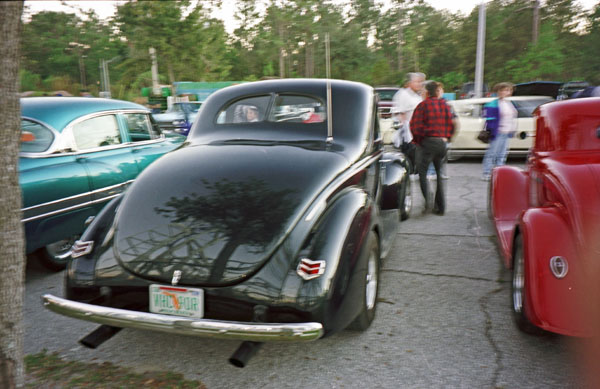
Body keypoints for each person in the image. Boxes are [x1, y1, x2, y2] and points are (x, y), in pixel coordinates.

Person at [410, 81, 455, 215]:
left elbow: (415, 127)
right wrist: (446, 137)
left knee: (422, 174)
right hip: (441, 143)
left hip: (426, 143)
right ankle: (441, 207)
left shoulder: (422, 105)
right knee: (439, 174)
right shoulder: (445, 105)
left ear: (428, 92)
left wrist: (419, 141)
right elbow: (451, 124)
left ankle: (428, 202)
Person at [481, 82, 518, 181]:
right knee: (492, 153)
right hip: (497, 132)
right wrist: (492, 130)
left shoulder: (509, 103)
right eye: (504, 90)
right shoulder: (493, 103)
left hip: (507, 132)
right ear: (498, 91)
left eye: (508, 90)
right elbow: (488, 118)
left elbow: (513, 117)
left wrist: (513, 129)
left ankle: (500, 172)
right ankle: (487, 173)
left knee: (502, 154)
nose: (507, 92)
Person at [391, 72, 426, 172]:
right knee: (409, 163)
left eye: (421, 82)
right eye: (417, 82)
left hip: (418, 135)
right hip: (408, 136)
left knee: (418, 163)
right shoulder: (403, 94)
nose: (419, 84)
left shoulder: (417, 96)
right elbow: (400, 114)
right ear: (410, 82)